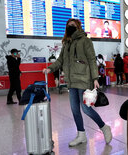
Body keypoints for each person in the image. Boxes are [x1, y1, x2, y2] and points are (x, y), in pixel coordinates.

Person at [43, 18, 112, 147]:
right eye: (68, 25)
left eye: (73, 25)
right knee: (75, 110)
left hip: (84, 80)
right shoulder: (66, 44)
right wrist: (50, 68)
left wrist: (95, 78)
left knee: (86, 109)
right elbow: (60, 61)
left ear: (78, 27)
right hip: (71, 82)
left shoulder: (85, 41)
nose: (70, 27)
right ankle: (81, 135)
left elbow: (92, 59)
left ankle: (104, 127)